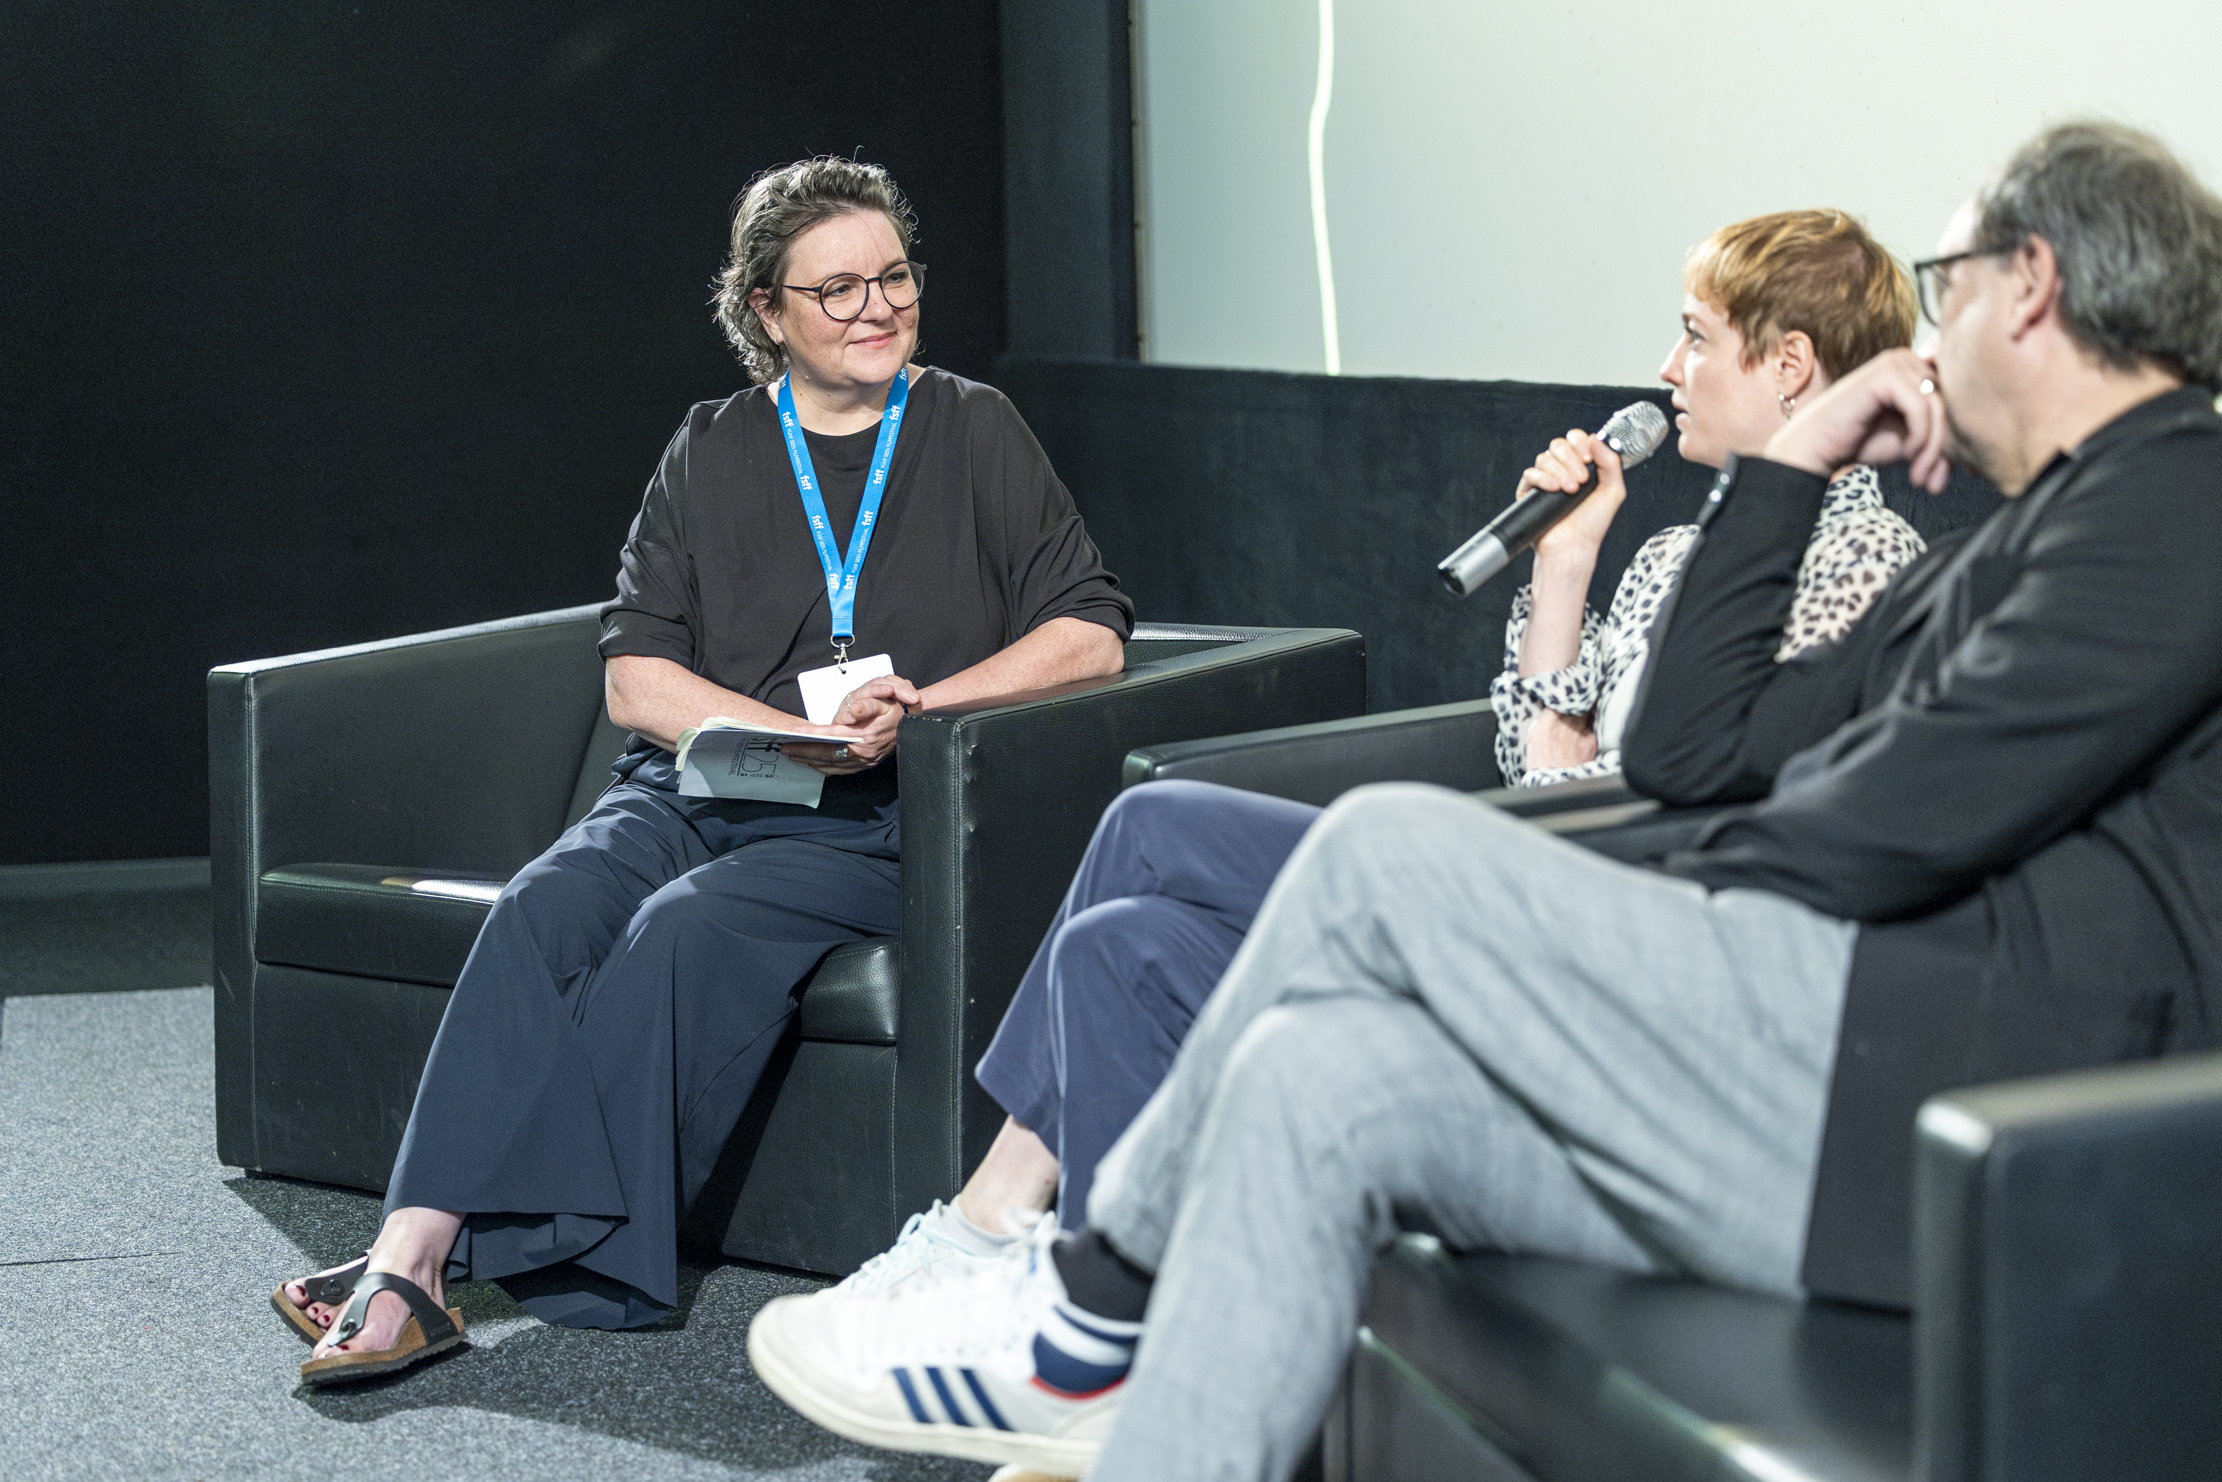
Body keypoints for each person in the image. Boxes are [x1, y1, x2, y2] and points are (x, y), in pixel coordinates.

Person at [745, 120, 2222, 1482]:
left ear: (2031, 285)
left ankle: (1088, 1307)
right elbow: (1694, 753)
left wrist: (1663, 872)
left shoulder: (2175, 499)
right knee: (1316, 1077)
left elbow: (1875, 832)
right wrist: (1789, 466)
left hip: (1942, 1098)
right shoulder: (2019, 539)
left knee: (1384, 853)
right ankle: (1109, 1386)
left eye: (1946, 287)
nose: (1929, 336)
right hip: (1840, 1058)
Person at [825, 211, 1926, 1307]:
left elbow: (1682, 800)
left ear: (1790, 365)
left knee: (1154, 823)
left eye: (1694, 336)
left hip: (1604, 928)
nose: (1666, 369)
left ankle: (985, 1223)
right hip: (1530, 860)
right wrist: (1564, 560)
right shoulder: (1680, 551)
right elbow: (1534, 754)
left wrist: (1552, 777)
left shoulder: (1867, 563)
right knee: (1120, 944)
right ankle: (1088, 1311)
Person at [268, 156, 1133, 1384]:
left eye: (894, 277)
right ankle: (410, 1250)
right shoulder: (710, 445)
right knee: (538, 909)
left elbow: (1090, 632)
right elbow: (636, 680)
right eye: (836, 290)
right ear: (765, 309)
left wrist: (925, 708)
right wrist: (783, 736)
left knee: (683, 928)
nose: (877, 308)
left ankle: (500, 1260)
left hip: (871, 817)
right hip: (702, 786)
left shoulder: (971, 426)